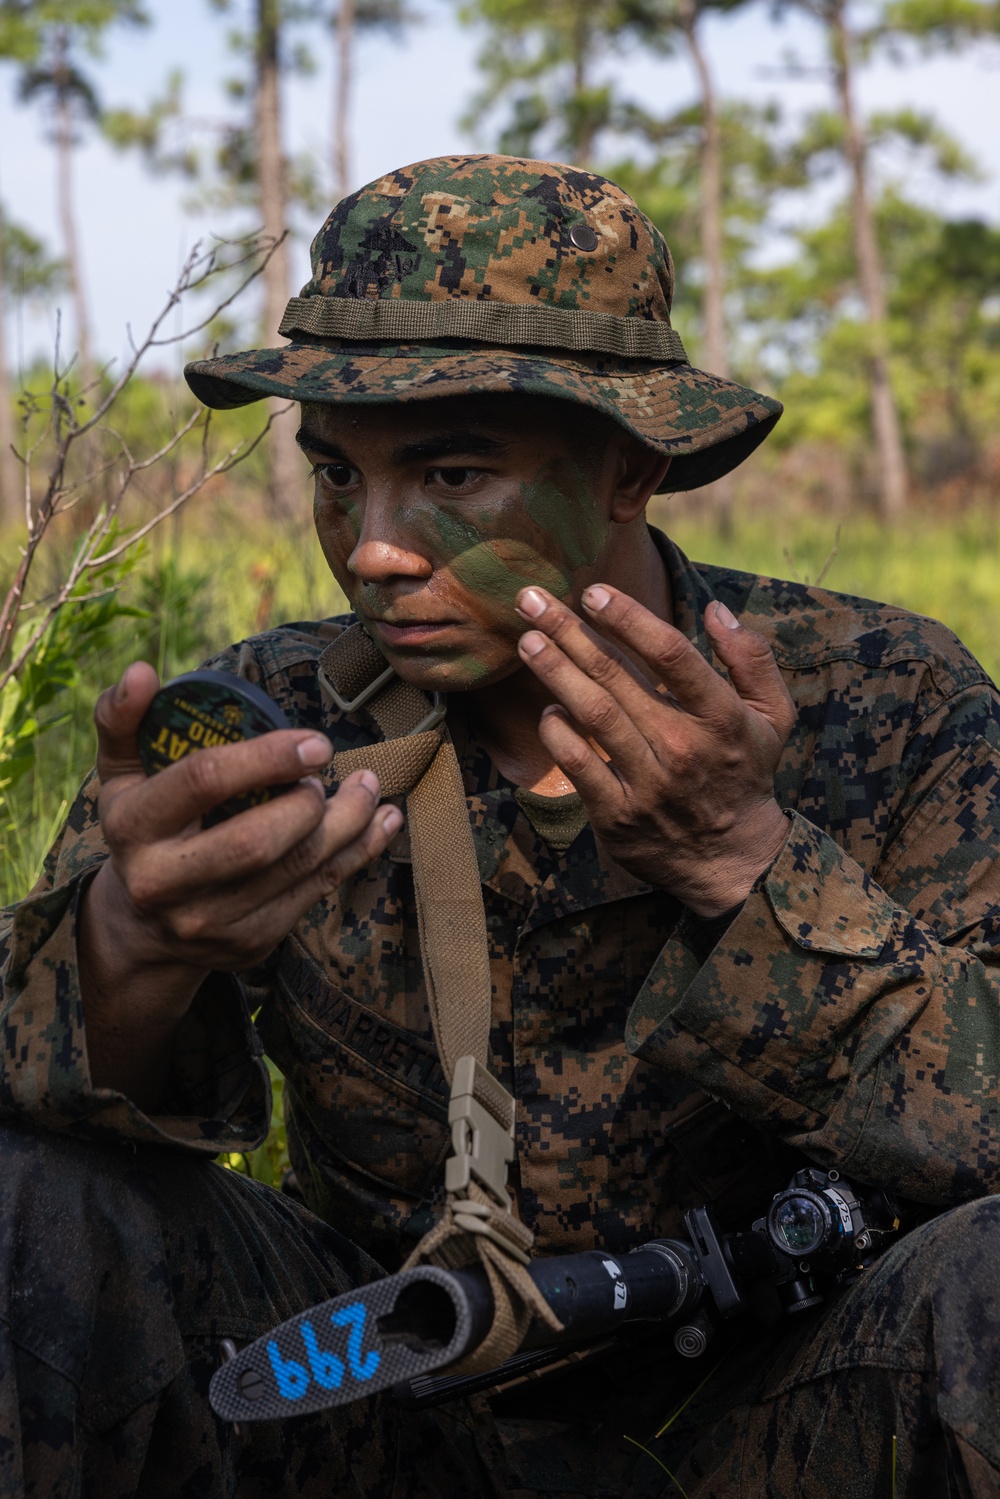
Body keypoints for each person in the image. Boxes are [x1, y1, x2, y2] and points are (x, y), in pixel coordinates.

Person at [1, 153, 999, 1499]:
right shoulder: (268, 720)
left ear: (630, 468)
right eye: (336, 475)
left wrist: (745, 867)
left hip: (777, 1417)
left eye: (452, 473)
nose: (373, 547)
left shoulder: (884, 703)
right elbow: (39, 1096)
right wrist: (134, 947)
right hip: (361, 1402)